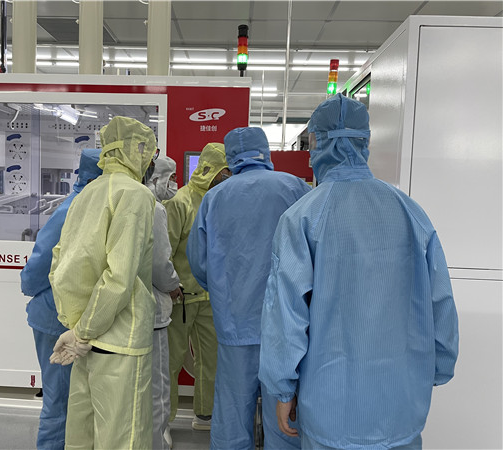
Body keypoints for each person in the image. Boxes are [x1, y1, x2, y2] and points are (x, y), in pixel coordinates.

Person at [259, 93, 459, 450]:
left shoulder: (303, 217)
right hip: (400, 408)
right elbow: (440, 301)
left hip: (329, 411)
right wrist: (438, 366)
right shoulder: (411, 213)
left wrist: (283, 388)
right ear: (365, 141)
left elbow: (286, 316)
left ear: (316, 144)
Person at [186, 127, 311, 450]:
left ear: (230, 158)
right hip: (287, 327)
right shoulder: (296, 188)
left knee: (231, 415)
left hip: (234, 324)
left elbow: (198, 262)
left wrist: (224, 289)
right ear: (265, 151)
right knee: (285, 417)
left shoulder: (214, 198)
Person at [48, 116, 158, 450]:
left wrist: (76, 327)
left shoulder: (87, 193)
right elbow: (118, 278)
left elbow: (62, 261)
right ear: (136, 150)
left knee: (82, 436)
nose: (149, 160)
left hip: (84, 340)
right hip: (120, 341)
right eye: (148, 151)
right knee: (123, 439)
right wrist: (83, 332)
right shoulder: (135, 195)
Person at [20, 147, 102, 450]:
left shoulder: (95, 205)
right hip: (54, 317)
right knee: (59, 400)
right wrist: (31, 288)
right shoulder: (73, 209)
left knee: (73, 399)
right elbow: (40, 263)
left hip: (70, 318)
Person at [162, 143, 229, 432]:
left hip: (211, 296)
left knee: (211, 359)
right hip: (181, 296)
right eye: (225, 170)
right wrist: (171, 285)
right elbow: (164, 250)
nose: (228, 176)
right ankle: (164, 421)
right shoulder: (180, 202)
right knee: (171, 361)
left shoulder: (223, 200)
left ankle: (205, 414)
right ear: (211, 169)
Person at [147, 155, 183, 449]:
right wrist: (173, 286)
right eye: (171, 178)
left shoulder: (123, 198)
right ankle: (158, 441)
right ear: (156, 178)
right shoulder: (154, 208)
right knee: (157, 383)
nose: (175, 184)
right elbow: (160, 263)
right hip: (154, 311)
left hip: (130, 311)